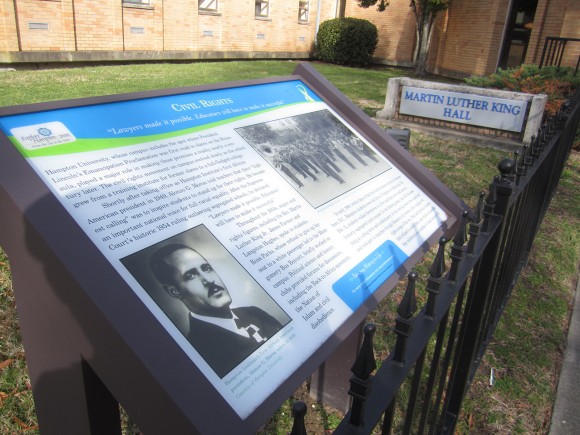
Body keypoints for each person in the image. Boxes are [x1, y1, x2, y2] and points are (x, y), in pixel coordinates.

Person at [150, 244, 283, 377]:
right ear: (174, 291)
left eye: (206, 268)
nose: (209, 280)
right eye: (191, 275)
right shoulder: (199, 353)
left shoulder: (254, 313)